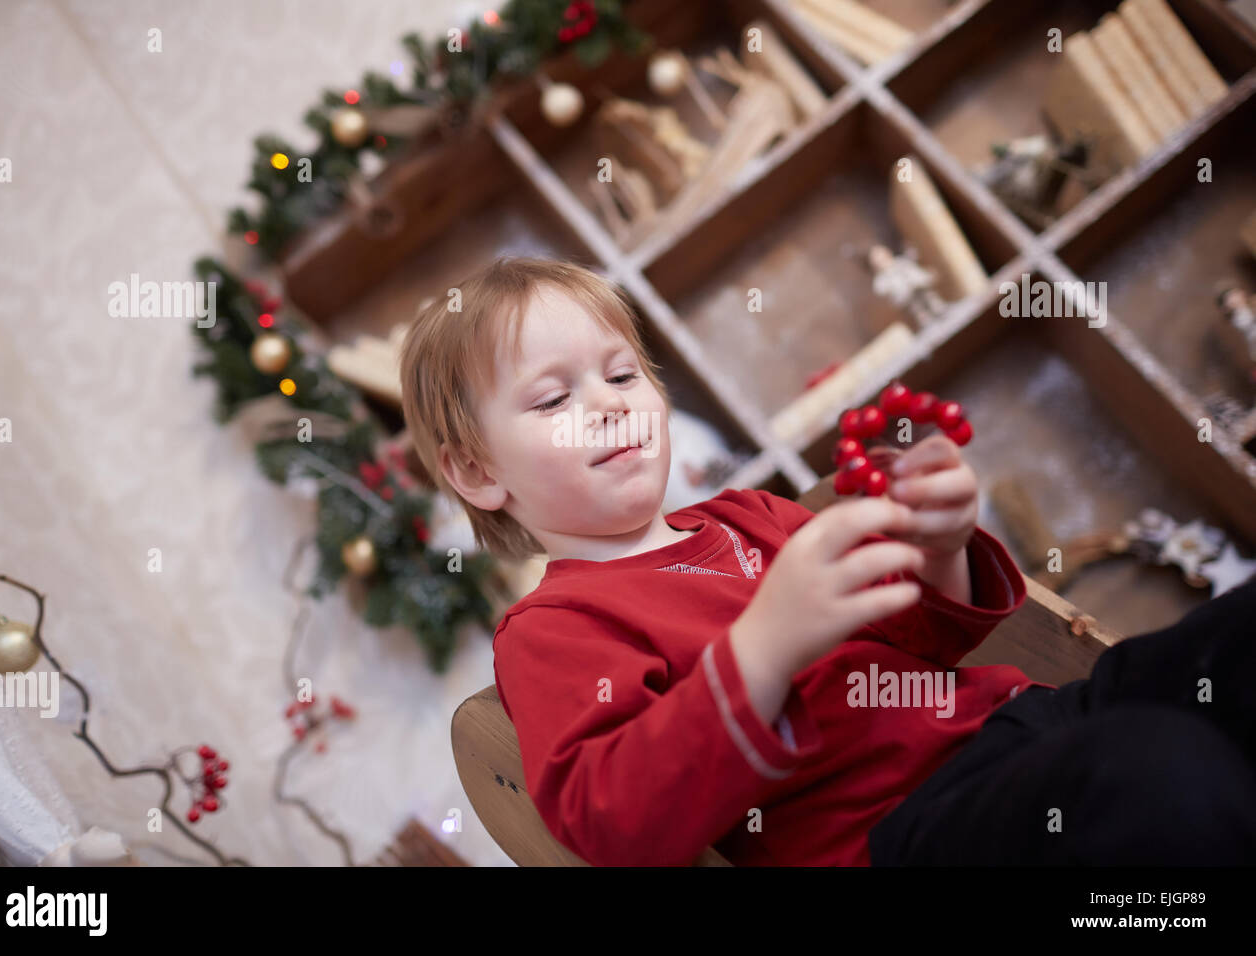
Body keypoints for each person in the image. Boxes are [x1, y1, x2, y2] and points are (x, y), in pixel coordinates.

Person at [399, 255, 1256, 866]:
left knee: (1227, 648)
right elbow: (611, 820)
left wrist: (941, 545)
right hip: (905, 831)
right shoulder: (555, 630)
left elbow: (917, 642)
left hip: (1021, 726)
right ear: (478, 472)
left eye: (623, 376)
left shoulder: (747, 515)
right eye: (553, 398)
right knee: (1164, 775)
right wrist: (764, 648)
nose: (607, 407)